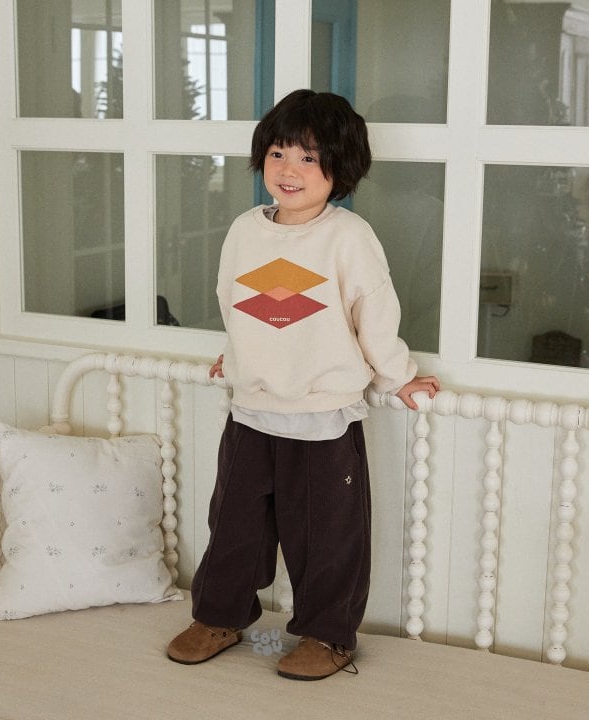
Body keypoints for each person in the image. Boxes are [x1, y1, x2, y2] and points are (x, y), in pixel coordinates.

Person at [167, 89, 440, 680]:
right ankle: (218, 617)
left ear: (340, 168)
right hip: (251, 411)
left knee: (326, 537)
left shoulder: (349, 236)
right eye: (278, 153)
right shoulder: (244, 230)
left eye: (308, 158)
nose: (289, 169)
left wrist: (400, 376)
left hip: (323, 415)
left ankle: (328, 635)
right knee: (234, 527)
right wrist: (236, 355)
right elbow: (234, 302)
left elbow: (373, 312)